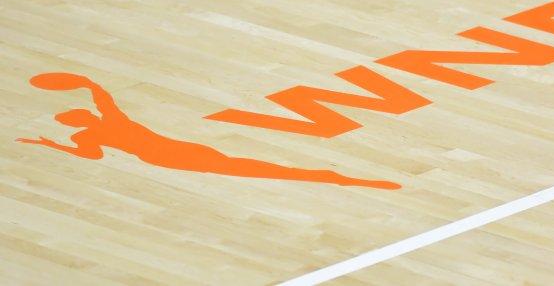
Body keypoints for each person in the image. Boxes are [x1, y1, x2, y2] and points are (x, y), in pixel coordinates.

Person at [17, 72, 400, 190]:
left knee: (243, 166)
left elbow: (91, 149)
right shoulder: (108, 125)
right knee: (246, 167)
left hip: (170, 154)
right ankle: (332, 177)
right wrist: (83, 84)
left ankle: (330, 177)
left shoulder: (98, 132)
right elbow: (102, 100)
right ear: (81, 117)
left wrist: (51, 144)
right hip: (169, 152)